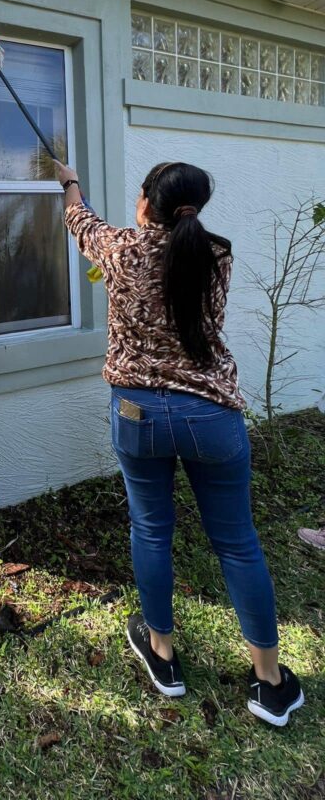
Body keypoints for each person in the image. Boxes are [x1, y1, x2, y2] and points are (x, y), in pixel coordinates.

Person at [54, 158, 304, 728]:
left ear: (146, 204)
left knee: (151, 530)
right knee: (237, 542)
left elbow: (79, 218)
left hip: (138, 413)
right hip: (210, 416)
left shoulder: (120, 250)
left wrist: (69, 181)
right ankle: (268, 681)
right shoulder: (217, 253)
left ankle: (163, 655)